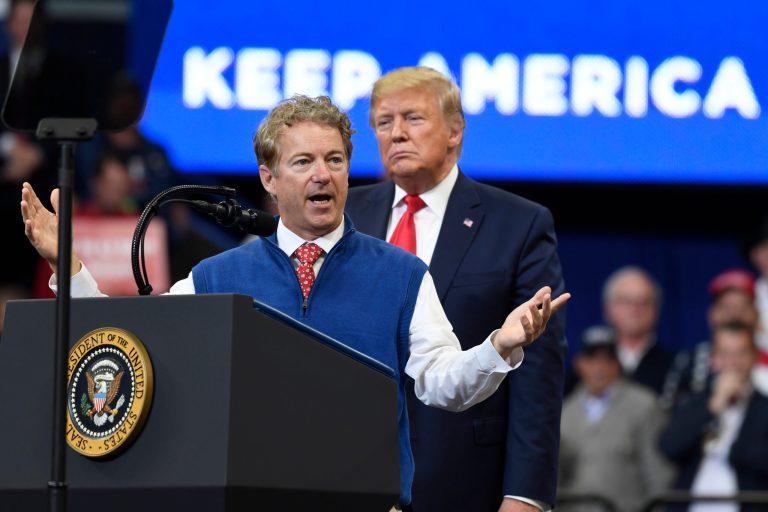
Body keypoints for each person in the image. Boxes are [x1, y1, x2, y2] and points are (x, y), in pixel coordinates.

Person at [21, 94, 569, 508]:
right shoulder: (218, 275)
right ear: (269, 177)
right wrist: (67, 265)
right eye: (304, 162)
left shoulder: (401, 275)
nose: (323, 174)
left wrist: (500, 344)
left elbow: (444, 383)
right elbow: (129, 352)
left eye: (335, 160)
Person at [345, 66, 567, 512]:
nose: (397, 134)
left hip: (462, 479)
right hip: (349, 474)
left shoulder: (518, 224)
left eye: (413, 118)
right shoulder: (343, 216)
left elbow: (538, 375)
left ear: (454, 131)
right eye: (383, 123)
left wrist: (524, 495)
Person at [559, 325, 673, 512]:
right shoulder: (564, 411)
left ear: (617, 364)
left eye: (607, 359)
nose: (600, 367)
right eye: (592, 359)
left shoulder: (643, 405)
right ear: (579, 363)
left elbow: (658, 472)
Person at [660, 322, 768, 512]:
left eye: (740, 354)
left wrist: (730, 446)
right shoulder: (695, 403)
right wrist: (712, 408)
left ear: (753, 357)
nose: (733, 363)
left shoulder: (763, 408)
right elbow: (669, 447)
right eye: (725, 354)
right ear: (714, 359)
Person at [662, 270, 760, 408]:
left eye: (743, 307)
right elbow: (670, 412)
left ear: (756, 314)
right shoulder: (689, 361)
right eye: (727, 307)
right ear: (712, 314)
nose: (734, 315)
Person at [602, 266, 676, 395]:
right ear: (608, 309)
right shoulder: (588, 364)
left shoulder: (675, 367)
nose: (635, 309)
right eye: (626, 301)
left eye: (644, 302)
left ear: (656, 310)